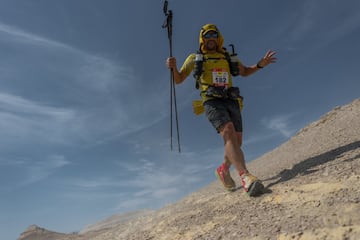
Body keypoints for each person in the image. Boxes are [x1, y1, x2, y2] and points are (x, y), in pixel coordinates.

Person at [166, 23, 276, 196]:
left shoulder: (228, 57)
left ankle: (223, 169)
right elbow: (179, 79)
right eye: (207, 35)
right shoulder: (194, 58)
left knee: (237, 141)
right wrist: (173, 68)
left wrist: (260, 64)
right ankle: (246, 177)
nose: (210, 38)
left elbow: (245, 71)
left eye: (213, 35)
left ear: (218, 38)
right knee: (228, 131)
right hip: (211, 100)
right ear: (202, 38)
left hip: (231, 99)